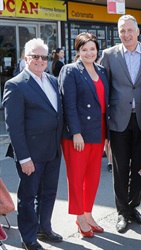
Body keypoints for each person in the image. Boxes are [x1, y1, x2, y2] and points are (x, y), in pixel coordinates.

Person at [100, 14, 141, 233]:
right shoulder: (108, 55)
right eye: (122, 31)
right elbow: (103, 89)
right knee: (119, 169)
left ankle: (134, 207)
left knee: (140, 168)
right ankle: (122, 212)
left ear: (137, 32)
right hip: (118, 120)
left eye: (129, 30)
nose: (126, 35)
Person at [3, 38, 63, 250]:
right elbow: (14, 126)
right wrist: (24, 158)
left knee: (48, 193)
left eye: (43, 57)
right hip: (30, 154)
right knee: (28, 198)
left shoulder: (53, 81)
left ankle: (44, 228)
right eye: (35, 56)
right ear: (26, 58)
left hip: (53, 151)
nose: (39, 60)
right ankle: (28, 238)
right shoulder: (16, 85)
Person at [59, 33, 109, 238]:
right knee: (77, 177)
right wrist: (76, 132)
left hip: (99, 131)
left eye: (92, 49)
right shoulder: (70, 71)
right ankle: (79, 216)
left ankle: (88, 214)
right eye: (84, 49)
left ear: (97, 50)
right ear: (77, 51)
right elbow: (68, 105)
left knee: (93, 177)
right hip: (77, 134)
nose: (89, 53)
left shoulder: (102, 70)